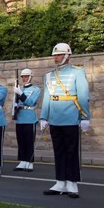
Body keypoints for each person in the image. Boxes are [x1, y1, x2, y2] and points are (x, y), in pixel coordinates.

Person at [40, 43, 90, 198]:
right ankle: (60, 181)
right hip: (55, 118)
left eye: (59, 55)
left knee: (71, 152)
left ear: (67, 55)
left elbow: (82, 95)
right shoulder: (49, 75)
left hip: (70, 117)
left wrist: (85, 117)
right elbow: (47, 97)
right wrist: (43, 116)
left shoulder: (77, 72)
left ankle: (72, 183)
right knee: (59, 152)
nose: (56, 57)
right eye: (55, 55)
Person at [13, 69, 41, 172]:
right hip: (20, 117)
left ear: (30, 77)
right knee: (21, 141)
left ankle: (29, 162)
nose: (24, 78)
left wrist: (20, 93)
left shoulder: (35, 89)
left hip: (29, 117)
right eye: (23, 77)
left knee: (29, 141)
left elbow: (30, 102)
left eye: (26, 76)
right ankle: (22, 161)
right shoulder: (19, 88)